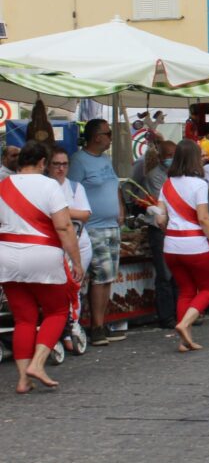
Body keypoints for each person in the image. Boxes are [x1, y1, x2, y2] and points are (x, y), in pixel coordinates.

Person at [0, 141, 83, 392]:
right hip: (43, 254)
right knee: (57, 311)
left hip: (7, 256)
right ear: (42, 163)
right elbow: (64, 226)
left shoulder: (3, 185)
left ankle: (23, 380)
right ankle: (37, 363)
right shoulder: (49, 185)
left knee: (24, 318)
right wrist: (76, 260)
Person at [155, 140, 209, 352]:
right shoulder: (199, 184)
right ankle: (185, 324)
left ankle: (184, 340)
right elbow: (204, 218)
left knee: (185, 289)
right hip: (195, 244)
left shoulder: (167, 184)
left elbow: (160, 219)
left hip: (171, 245)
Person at [68, 118, 125, 346]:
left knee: (108, 277)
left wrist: (120, 209)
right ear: (96, 136)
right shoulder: (79, 161)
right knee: (99, 278)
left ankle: (101, 322)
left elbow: (115, 186)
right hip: (92, 228)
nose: (111, 137)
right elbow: (70, 193)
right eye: (108, 133)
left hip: (111, 225)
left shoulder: (105, 159)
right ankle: (96, 327)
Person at [47, 148, 92, 350]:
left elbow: (85, 214)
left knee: (75, 287)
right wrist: (66, 213)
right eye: (57, 164)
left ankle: (72, 326)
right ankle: (61, 332)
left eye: (64, 164)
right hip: (54, 246)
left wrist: (59, 211)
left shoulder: (75, 187)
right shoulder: (45, 186)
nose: (61, 168)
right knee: (58, 290)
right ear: (48, 165)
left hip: (80, 243)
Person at [145, 139, 179, 329]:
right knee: (165, 274)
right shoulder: (155, 176)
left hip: (176, 228)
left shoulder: (179, 174)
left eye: (173, 156)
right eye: (167, 156)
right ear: (159, 157)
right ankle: (167, 316)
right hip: (160, 228)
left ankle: (180, 311)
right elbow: (164, 202)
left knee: (178, 273)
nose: (170, 160)